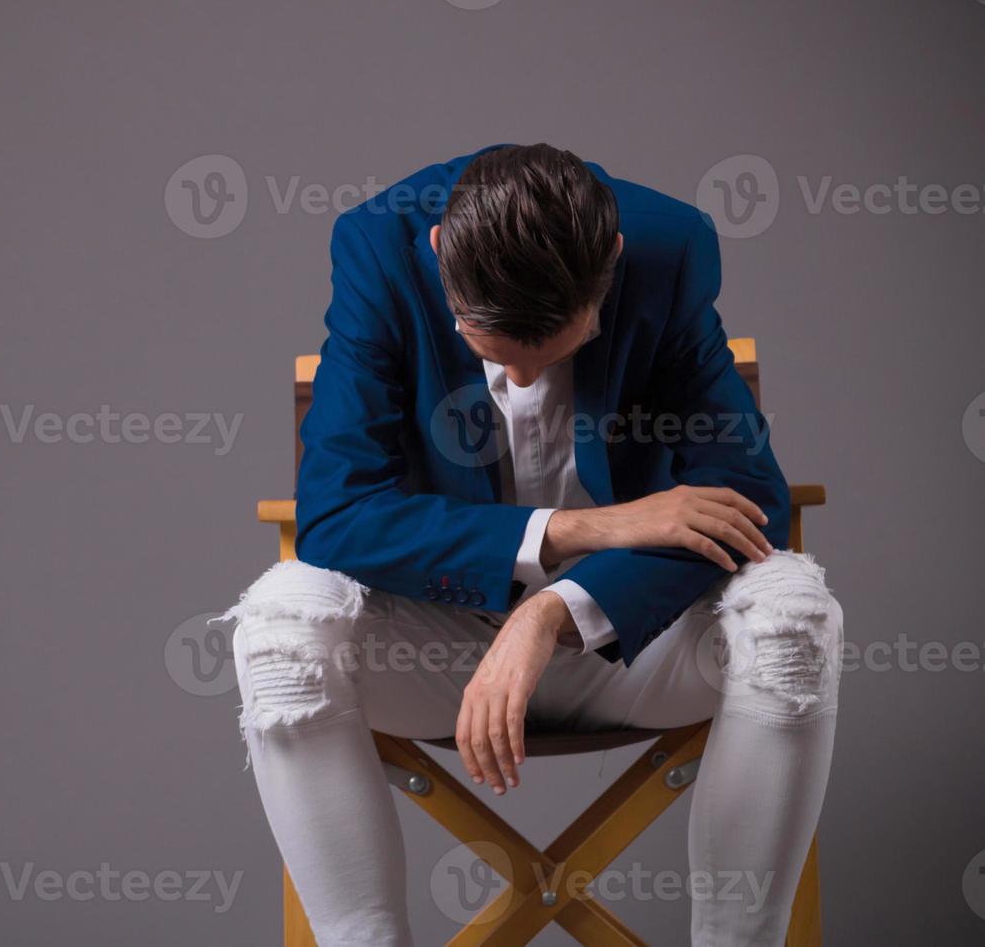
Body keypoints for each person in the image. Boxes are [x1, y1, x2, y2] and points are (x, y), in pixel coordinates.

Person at [220, 143, 843, 946]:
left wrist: (550, 612)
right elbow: (336, 513)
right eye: (492, 353)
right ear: (441, 254)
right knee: (278, 627)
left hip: (634, 642)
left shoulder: (666, 247)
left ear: (610, 264)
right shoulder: (380, 248)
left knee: (793, 614)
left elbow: (742, 491)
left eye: (551, 355)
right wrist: (580, 529)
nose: (519, 384)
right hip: (438, 653)